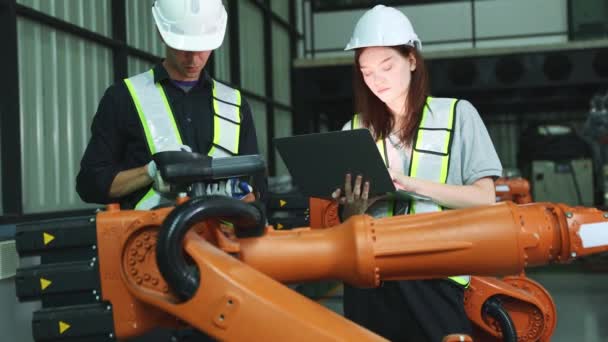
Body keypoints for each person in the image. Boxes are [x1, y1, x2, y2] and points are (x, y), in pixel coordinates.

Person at [332, 5, 502, 342]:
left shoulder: (457, 115)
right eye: (366, 71)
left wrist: (408, 183)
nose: (376, 79)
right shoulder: (353, 129)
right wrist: (355, 205)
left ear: (411, 60)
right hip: (370, 280)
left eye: (386, 66)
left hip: (434, 279)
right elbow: (348, 221)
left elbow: (485, 199)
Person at [76, 0, 266, 211]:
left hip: (223, 239)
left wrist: (249, 197)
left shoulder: (235, 104)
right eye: (183, 47)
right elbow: (90, 184)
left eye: (203, 47)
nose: (194, 58)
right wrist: (149, 172)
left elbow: (258, 186)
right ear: (160, 31)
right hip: (150, 239)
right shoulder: (123, 98)